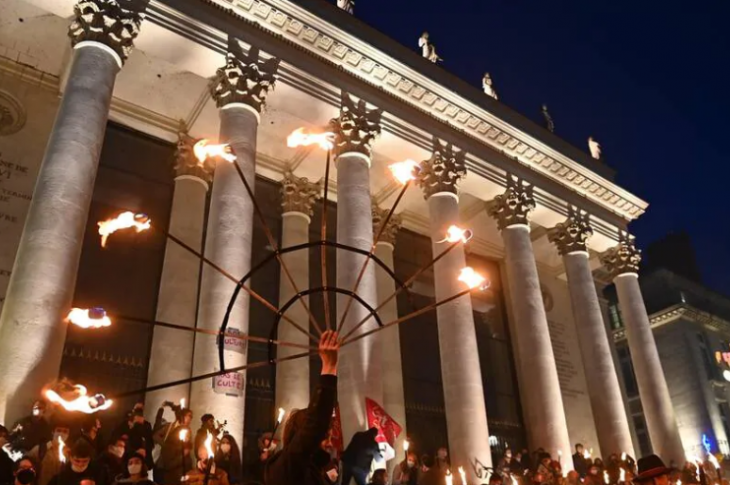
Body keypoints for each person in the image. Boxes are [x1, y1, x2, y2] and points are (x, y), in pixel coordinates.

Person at [264, 330, 341, 485]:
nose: (330, 443)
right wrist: (329, 368)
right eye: (325, 437)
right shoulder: (290, 464)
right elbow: (314, 425)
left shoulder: (313, 468)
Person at [38, 421, 70, 485]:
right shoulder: (40, 449)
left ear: (68, 435)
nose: (61, 433)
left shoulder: (70, 454)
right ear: (53, 432)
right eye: (59, 430)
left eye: (65, 431)